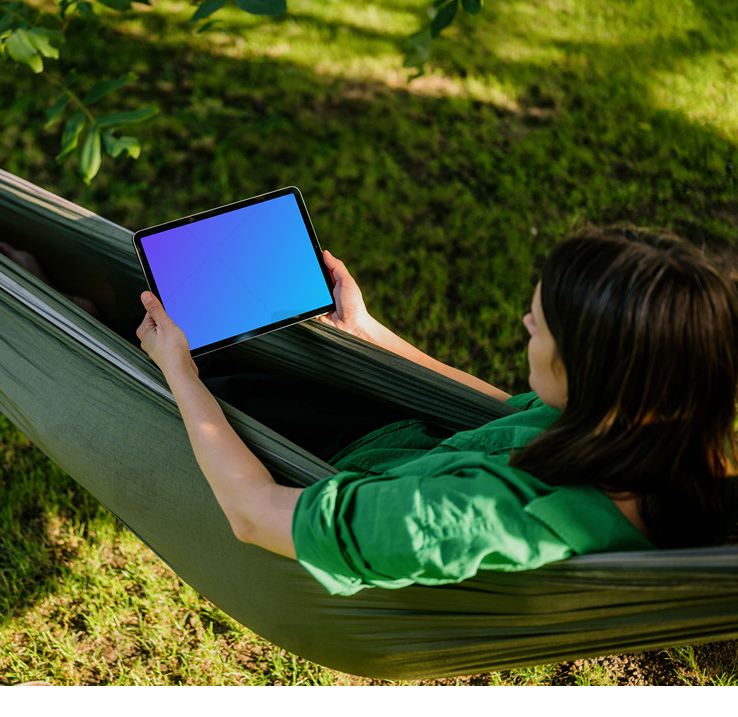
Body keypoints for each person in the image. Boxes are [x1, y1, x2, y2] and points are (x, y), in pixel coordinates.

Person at [136, 227, 738, 595]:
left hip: (331, 473)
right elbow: (502, 413)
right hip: (407, 441)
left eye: (542, 324)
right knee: (240, 347)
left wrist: (180, 373)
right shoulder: (658, 432)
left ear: (594, 373)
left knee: (173, 373)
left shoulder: (461, 519)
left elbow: (253, 514)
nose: (527, 322)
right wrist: (370, 334)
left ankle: (59, 312)